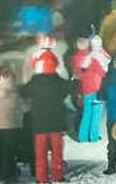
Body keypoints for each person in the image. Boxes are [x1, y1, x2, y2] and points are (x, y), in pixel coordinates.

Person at [25, 46, 74, 183]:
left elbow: (23, 92)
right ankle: (57, 176)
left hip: (39, 123)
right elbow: (70, 88)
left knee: (40, 152)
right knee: (57, 151)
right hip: (56, 123)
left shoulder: (34, 82)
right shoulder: (58, 81)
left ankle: (41, 178)